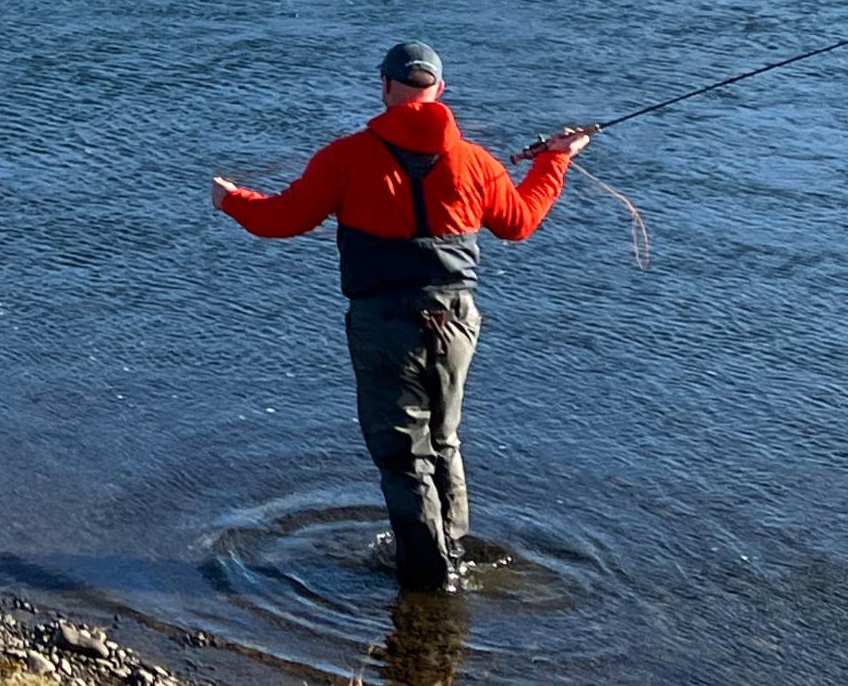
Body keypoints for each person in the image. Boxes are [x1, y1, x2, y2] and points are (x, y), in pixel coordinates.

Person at [209, 41, 590, 591]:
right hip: (457, 318)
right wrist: (555, 160)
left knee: (402, 453)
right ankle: (450, 550)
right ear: (439, 91)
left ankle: (428, 579)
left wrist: (231, 199)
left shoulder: (345, 156)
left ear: (385, 87)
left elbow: (282, 219)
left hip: (384, 322)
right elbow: (520, 222)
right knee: (444, 438)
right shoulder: (477, 163)